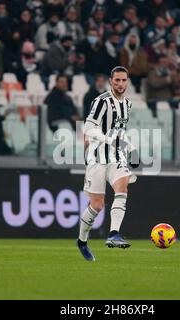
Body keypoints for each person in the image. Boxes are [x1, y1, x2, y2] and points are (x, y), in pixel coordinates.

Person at [77, 66, 139, 261]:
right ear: (111, 81)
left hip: (116, 156)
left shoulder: (127, 104)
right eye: (117, 80)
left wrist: (131, 148)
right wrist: (110, 140)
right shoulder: (101, 101)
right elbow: (88, 128)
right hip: (97, 157)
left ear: (127, 82)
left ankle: (114, 234)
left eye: (124, 80)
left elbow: (120, 131)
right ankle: (82, 241)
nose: (120, 84)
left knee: (123, 187)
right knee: (96, 205)